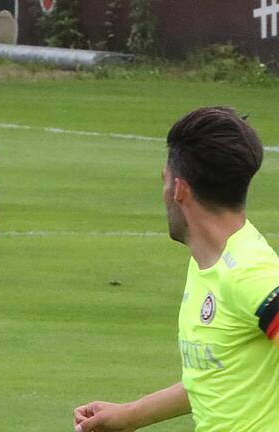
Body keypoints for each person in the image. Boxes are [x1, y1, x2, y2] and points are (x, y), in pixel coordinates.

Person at [72, 107, 279, 432]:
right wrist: (131, 415)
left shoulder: (250, 274)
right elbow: (217, 375)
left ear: (180, 189)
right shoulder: (210, 261)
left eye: (164, 181)